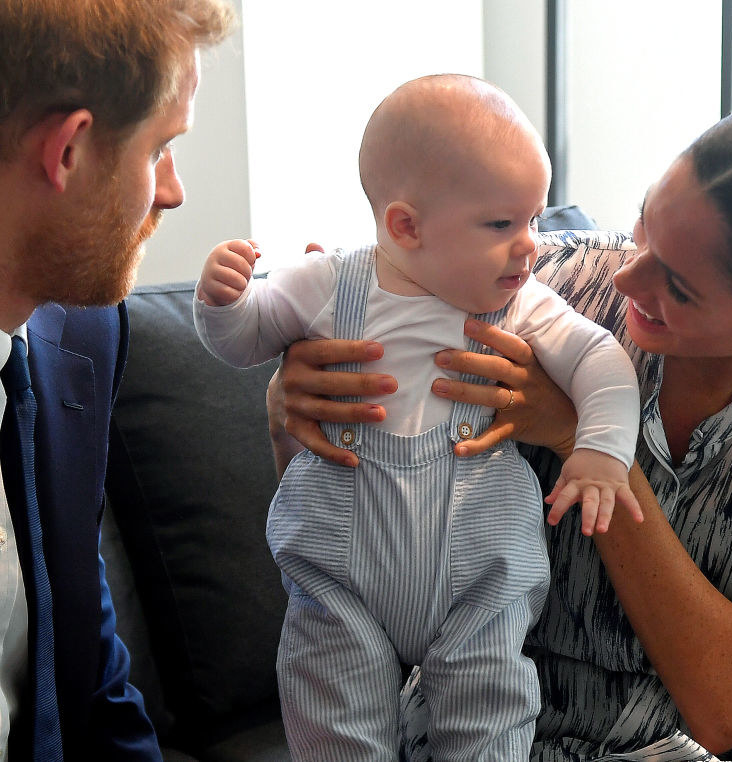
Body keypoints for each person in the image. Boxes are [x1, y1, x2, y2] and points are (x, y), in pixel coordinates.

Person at [271, 94, 732, 762]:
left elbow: (731, 705)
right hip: (520, 690)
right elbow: (354, 521)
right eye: (644, 226)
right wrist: (295, 405)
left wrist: (583, 437)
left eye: (681, 287)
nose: (628, 279)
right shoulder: (538, 282)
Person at [193, 74, 641, 759]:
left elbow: (601, 359)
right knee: (332, 719)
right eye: (501, 224)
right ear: (406, 225)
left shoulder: (520, 302)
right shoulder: (327, 283)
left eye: (533, 218)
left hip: (480, 571)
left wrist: (602, 451)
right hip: (340, 573)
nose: (529, 245)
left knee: (490, 713)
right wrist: (222, 304)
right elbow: (243, 342)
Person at [0, 1, 234, 759]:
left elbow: (92, 676)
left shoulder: (82, 333)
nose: (170, 192)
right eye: (160, 149)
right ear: (69, 150)